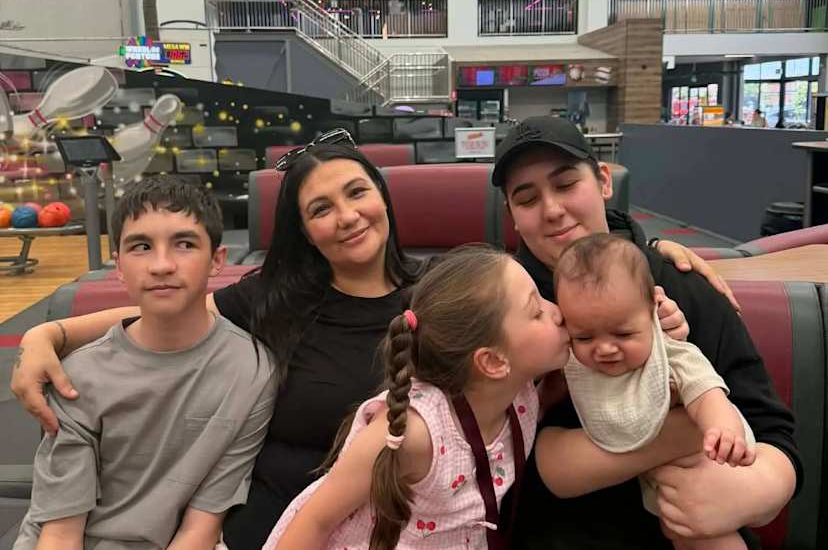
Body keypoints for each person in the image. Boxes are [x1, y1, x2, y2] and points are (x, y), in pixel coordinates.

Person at [10, 128, 730, 549]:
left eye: (357, 193)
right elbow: (168, 309)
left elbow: (566, 288)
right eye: (320, 208)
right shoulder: (274, 298)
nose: (346, 216)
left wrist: (653, 255)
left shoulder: (449, 292)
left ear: (383, 199)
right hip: (281, 525)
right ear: (303, 229)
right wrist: (55, 332)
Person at [491, 116, 801, 549]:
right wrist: (678, 432)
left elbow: (771, 430)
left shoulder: (680, 284)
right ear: (511, 216)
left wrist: (753, 491)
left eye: (566, 184)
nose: (552, 209)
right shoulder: (502, 310)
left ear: (603, 181)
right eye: (527, 199)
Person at [13, 175, 277, 550]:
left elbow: (200, 528)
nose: (162, 265)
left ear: (217, 260)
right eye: (141, 247)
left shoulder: (252, 370)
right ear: (118, 265)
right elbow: (60, 534)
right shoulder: (77, 377)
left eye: (184, 244)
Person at [263, 245, 571, 550]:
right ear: (492, 361)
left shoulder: (521, 396)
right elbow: (316, 520)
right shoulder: (413, 431)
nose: (557, 312)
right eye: (537, 311)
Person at [555, 234, 756, 550]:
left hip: (709, 473)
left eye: (623, 334)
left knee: (708, 537)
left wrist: (722, 429)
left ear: (652, 311)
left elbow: (705, 392)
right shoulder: (574, 363)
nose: (605, 348)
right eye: (584, 338)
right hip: (660, 491)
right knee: (677, 528)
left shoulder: (671, 354)